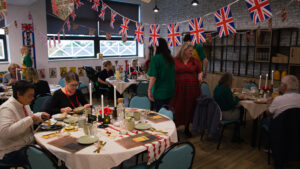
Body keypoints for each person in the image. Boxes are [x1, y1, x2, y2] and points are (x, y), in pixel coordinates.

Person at [0, 80, 50, 166]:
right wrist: (29, 119)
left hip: (26, 145)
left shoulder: (24, 103)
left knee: (50, 150)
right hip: (11, 151)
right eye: (30, 96)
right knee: (44, 158)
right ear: (19, 94)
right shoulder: (6, 108)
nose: (33, 98)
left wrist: (40, 115)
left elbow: (30, 118)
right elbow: (4, 132)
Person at [170, 42, 202, 137]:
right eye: (190, 51)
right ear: (184, 50)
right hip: (178, 89)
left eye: (192, 51)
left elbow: (199, 71)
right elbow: (170, 72)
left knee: (190, 107)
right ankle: (173, 128)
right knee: (177, 107)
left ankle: (187, 128)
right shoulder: (175, 60)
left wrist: (200, 76)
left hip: (192, 89)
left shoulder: (195, 61)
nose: (191, 52)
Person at [213, 73, 244, 141]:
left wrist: (231, 93)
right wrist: (238, 97)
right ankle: (235, 135)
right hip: (225, 114)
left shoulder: (217, 87)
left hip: (217, 112)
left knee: (238, 108)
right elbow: (232, 104)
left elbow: (224, 97)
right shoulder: (226, 89)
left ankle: (235, 131)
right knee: (240, 109)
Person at [148, 38, 175, 112]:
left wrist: (149, 90)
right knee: (167, 113)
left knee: (160, 115)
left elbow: (153, 76)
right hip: (170, 91)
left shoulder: (155, 59)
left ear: (157, 47)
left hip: (159, 92)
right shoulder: (170, 59)